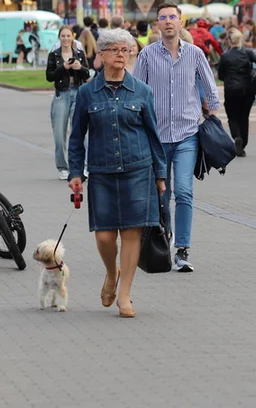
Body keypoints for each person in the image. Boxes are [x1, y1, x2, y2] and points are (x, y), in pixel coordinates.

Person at [68, 28, 166, 318]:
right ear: (101, 55)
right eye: (116, 50)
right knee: (105, 237)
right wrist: (76, 172)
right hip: (101, 171)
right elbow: (76, 137)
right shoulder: (87, 93)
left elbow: (154, 135)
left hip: (138, 169)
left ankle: (124, 294)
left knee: (132, 233)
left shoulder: (142, 91)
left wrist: (160, 175)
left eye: (126, 50)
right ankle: (112, 273)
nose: (122, 55)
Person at [133, 2, 220, 273]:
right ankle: (164, 239)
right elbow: (137, 93)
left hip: (186, 136)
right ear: (157, 24)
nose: (168, 21)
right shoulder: (147, 55)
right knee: (162, 196)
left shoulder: (195, 54)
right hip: (156, 139)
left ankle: (183, 250)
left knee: (183, 191)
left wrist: (212, 116)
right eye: (163, 18)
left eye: (173, 17)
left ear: (181, 22)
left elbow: (211, 90)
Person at [46, 26, 90, 180]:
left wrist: (80, 67)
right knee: (59, 133)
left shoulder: (79, 53)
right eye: (63, 36)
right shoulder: (54, 55)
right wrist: (63, 68)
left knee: (80, 131)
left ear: (73, 37)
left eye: (68, 36)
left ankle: (84, 166)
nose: (65, 39)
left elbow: (87, 74)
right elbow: (49, 76)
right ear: (59, 37)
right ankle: (63, 166)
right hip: (61, 95)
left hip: (78, 93)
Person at [218, 28, 256, 157]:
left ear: (229, 41)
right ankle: (243, 144)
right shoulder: (248, 52)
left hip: (231, 89)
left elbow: (221, 75)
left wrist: (228, 76)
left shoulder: (225, 56)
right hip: (246, 89)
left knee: (232, 116)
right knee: (244, 117)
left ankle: (237, 137)